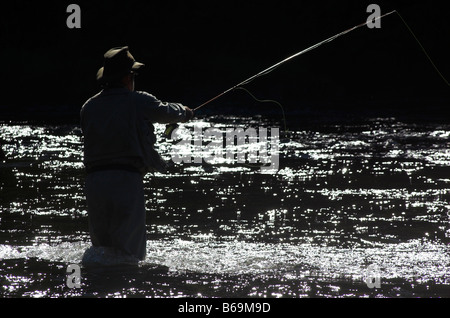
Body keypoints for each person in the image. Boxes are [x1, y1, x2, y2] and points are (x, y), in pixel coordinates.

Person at [80, 46, 193, 265]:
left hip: (94, 183)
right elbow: (167, 112)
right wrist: (185, 112)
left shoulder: (88, 107)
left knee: (101, 251)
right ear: (127, 77)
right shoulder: (139, 100)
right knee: (130, 255)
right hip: (126, 180)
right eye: (133, 74)